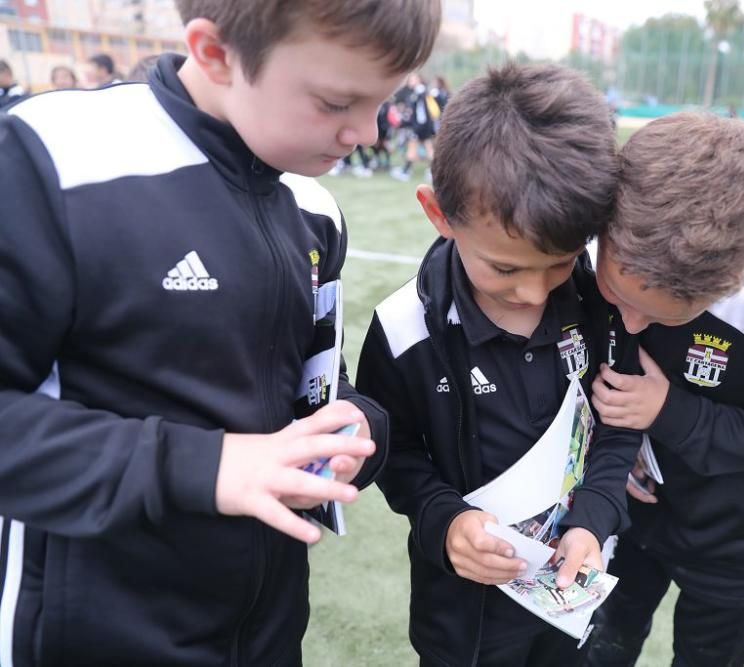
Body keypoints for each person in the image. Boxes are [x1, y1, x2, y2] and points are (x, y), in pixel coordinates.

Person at [0, 0, 440, 663]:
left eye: (383, 101)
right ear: (215, 53)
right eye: (335, 101)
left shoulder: (316, 210)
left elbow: (318, 383)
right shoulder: (55, 162)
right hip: (90, 630)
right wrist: (208, 465)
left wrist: (358, 430)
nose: (368, 132)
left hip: (266, 626)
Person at [356, 63, 642, 667]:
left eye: (560, 262)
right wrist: (445, 521)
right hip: (463, 618)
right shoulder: (404, 331)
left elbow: (617, 426)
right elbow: (394, 452)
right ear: (439, 215)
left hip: (571, 595)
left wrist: (591, 521)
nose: (535, 293)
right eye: (506, 269)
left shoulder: (598, 305)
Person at [575, 112, 744, 666]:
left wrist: (667, 412)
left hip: (732, 542)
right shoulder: (599, 251)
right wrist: (611, 449)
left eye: (658, 317)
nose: (627, 324)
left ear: (728, 287)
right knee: (602, 644)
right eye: (616, 296)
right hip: (633, 518)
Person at [390, 72, 438, 181]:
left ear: (418, 80)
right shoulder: (421, 92)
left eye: (412, 79)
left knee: (413, 148)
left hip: (420, 126)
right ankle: (433, 172)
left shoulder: (419, 93)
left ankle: (406, 171)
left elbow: (421, 114)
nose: (410, 82)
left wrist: (417, 127)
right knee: (428, 149)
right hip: (424, 126)